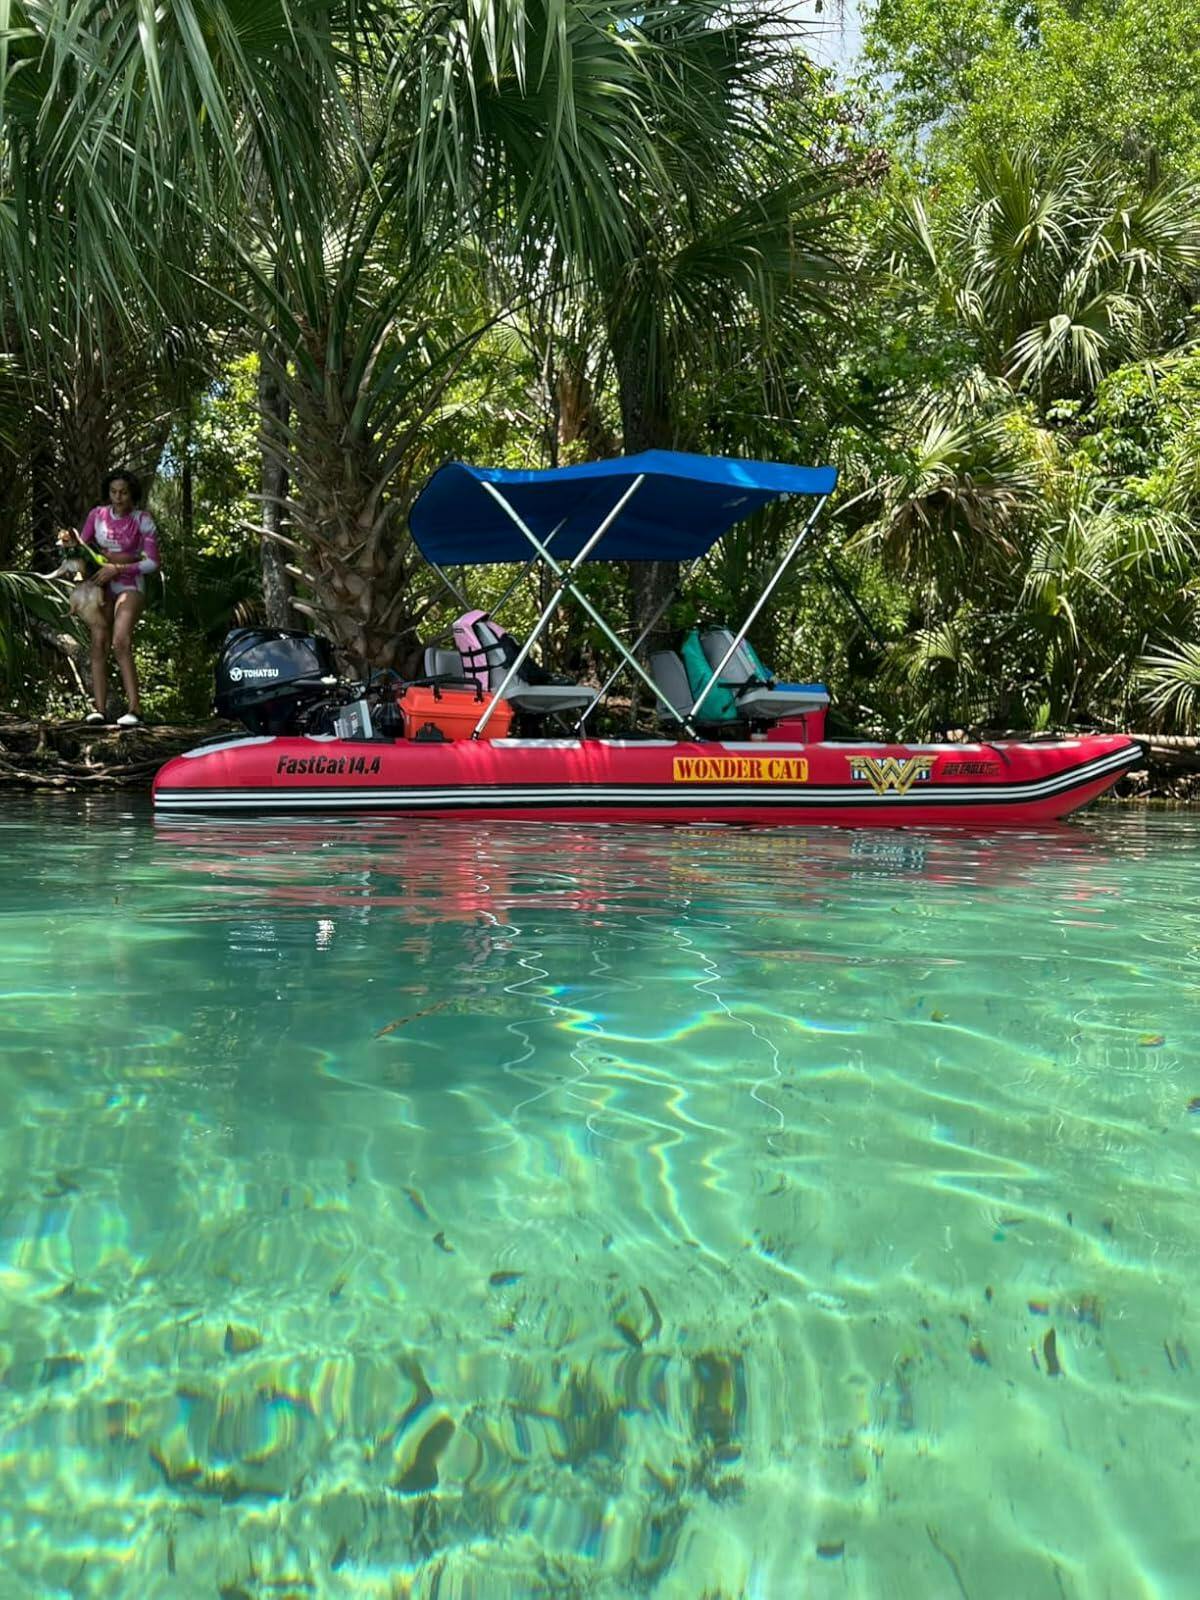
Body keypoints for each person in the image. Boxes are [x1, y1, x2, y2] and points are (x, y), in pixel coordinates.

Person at [77, 469, 161, 727]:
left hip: (130, 584)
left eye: (123, 492)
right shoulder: (97, 515)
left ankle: (135, 709)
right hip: (101, 585)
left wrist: (118, 568)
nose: (118, 497)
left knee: (121, 640)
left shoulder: (142, 520)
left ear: (132, 493)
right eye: (113, 492)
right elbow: (82, 546)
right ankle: (99, 710)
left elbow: (152, 563)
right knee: (98, 643)